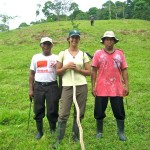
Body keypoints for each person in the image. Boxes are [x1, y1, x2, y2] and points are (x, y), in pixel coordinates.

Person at [53, 30, 91, 148]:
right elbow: (57, 71)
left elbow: (89, 72)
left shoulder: (83, 54)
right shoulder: (63, 53)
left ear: (79, 39)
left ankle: (75, 135)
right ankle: (59, 139)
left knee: (79, 112)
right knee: (63, 113)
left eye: (77, 38)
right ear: (69, 39)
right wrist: (66, 67)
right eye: (72, 37)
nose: (74, 40)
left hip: (81, 86)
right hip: (67, 86)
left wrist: (79, 70)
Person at [91, 31, 129, 141]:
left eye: (111, 39)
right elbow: (93, 71)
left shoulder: (120, 54)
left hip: (116, 88)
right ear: (103, 41)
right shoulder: (98, 54)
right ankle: (99, 131)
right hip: (101, 88)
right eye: (107, 39)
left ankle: (121, 132)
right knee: (99, 111)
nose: (109, 41)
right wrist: (93, 86)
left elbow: (124, 70)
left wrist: (126, 86)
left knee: (119, 111)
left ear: (114, 41)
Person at [29, 37, 60, 139]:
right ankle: (40, 131)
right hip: (38, 86)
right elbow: (32, 74)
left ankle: (52, 128)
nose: (46, 46)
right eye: (44, 44)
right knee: (38, 108)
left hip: (52, 86)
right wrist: (31, 89)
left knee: (53, 108)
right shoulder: (35, 57)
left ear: (52, 45)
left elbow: (60, 74)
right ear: (41, 45)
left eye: (48, 44)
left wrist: (61, 88)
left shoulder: (56, 58)